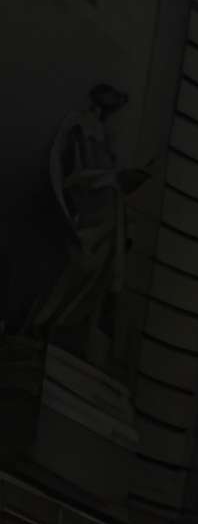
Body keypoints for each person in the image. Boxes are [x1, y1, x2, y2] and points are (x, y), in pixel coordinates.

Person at [17, 84, 151, 356]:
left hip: (107, 214)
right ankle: (38, 325)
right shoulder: (77, 122)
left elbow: (111, 176)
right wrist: (65, 204)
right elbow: (61, 164)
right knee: (77, 268)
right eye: (112, 102)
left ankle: (57, 331)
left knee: (96, 276)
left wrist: (124, 183)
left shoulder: (106, 134)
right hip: (86, 210)